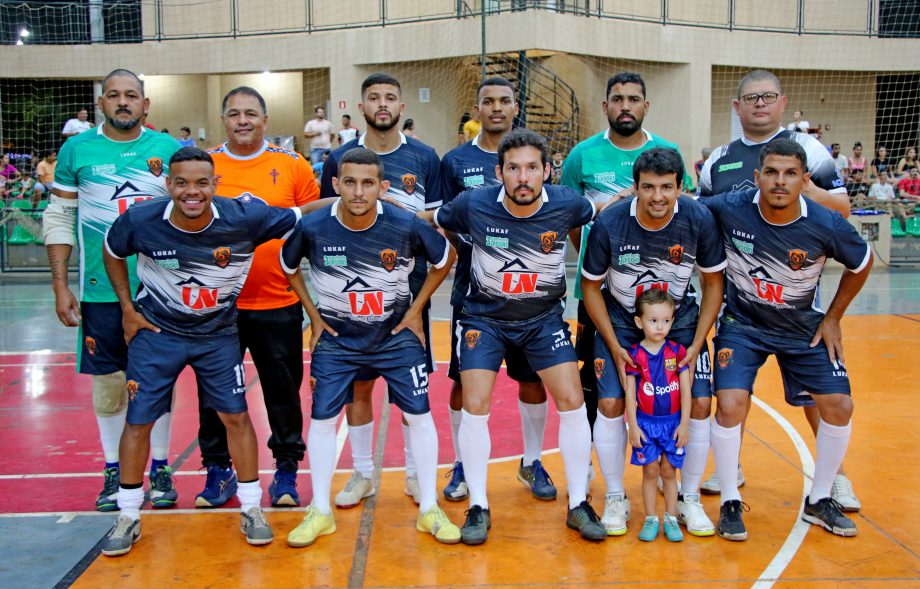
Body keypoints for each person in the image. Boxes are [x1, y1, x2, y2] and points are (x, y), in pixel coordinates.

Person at [99, 146, 308, 555]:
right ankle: (127, 514)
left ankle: (250, 508)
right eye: (181, 183)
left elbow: (306, 212)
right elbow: (111, 249)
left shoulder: (244, 217)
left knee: (236, 417)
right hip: (158, 332)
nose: (190, 192)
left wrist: (361, 200)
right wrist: (126, 307)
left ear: (215, 184)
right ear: (168, 185)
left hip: (217, 335)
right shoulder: (141, 220)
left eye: (200, 183)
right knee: (138, 420)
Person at [423, 128, 607, 545]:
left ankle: (578, 503)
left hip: (542, 319)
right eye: (513, 168)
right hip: (483, 319)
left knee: (573, 401)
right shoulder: (472, 204)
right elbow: (431, 220)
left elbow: (604, 207)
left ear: (546, 171)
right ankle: (478, 506)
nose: (523, 177)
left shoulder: (568, 203)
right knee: (475, 403)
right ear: (499, 172)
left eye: (531, 168)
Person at [281, 147, 459, 548]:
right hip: (339, 339)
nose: (358, 192)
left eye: (367, 183)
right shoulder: (313, 227)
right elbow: (288, 266)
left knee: (419, 414)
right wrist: (312, 315)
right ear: (336, 184)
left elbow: (445, 258)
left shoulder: (404, 223)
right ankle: (320, 512)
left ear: (383, 186)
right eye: (350, 182)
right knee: (324, 419)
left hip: (395, 336)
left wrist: (416, 310)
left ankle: (429, 506)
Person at [696, 69, 857, 509]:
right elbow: (700, 219)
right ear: (738, 108)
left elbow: (842, 206)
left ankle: (835, 477)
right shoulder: (720, 159)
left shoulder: (808, 151)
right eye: (751, 98)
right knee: (734, 390)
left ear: (782, 102)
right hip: (740, 300)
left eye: (767, 96)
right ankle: (732, 468)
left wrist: (786, 191)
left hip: (799, 298)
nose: (760, 104)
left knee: (814, 394)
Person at [42, 69, 180, 514]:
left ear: (146, 104)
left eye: (132, 96)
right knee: (109, 386)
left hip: (161, 291)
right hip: (100, 292)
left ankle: (159, 467)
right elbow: (60, 218)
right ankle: (112, 470)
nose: (123, 102)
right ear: (101, 104)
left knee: (157, 382)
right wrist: (61, 284)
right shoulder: (77, 149)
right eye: (114, 96)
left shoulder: (168, 151)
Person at [561, 72, 693, 523]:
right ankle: (614, 487)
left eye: (633, 98)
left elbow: (684, 216)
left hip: (662, 304)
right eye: (617, 98)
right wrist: (596, 255)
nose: (625, 105)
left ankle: (682, 486)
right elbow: (571, 215)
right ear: (605, 106)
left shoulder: (668, 155)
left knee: (672, 390)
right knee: (606, 393)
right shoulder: (582, 156)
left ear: (645, 105)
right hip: (602, 294)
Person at [581, 147, 724, 538]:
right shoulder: (610, 222)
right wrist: (612, 343)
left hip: (678, 321)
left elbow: (713, 281)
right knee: (610, 401)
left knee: (698, 401)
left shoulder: (698, 218)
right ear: (636, 187)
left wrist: (697, 342)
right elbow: (590, 287)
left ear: (681, 186)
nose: (657, 196)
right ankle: (615, 496)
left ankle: (688, 498)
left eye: (666, 187)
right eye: (648, 187)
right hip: (622, 321)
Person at [320, 73, 445, 510]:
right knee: (358, 387)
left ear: (401, 106)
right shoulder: (338, 158)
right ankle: (362, 473)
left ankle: (414, 473)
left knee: (411, 387)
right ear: (362, 105)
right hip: (350, 292)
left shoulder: (426, 158)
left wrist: (397, 215)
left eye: (391, 97)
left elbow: (435, 222)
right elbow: (325, 221)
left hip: (406, 293)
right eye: (374, 97)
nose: (383, 104)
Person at [193, 86, 319, 509]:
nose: (242, 120)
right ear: (223, 120)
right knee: (214, 395)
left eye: (250, 113)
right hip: (218, 308)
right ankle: (218, 470)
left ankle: (285, 471)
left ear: (265, 120)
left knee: (282, 394)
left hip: (278, 303)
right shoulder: (206, 166)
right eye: (233, 113)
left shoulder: (292, 165)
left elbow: (312, 224)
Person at [439, 77, 556, 504]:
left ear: (516, 106)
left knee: (532, 380)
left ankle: (532, 459)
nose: (496, 109)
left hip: (530, 297)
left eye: (505, 101)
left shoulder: (532, 156)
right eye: (488, 102)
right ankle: (462, 464)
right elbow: (445, 218)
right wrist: (472, 250)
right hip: (475, 297)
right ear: (477, 108)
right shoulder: (454, 160)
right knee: (462, 383)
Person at [624, 289, 691, 543]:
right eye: (653, 321)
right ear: (639, 322)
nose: (660, 326)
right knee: (650, 471)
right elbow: (630, 393)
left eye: (666, 321)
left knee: (669, 472)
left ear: (672, 320)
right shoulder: (635, 355)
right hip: (646, 424)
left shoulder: (677, 351)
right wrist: (633, 425)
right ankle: (651, 518)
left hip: (672, 423)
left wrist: (684, 423)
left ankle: (671, 519)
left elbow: (685, 390)